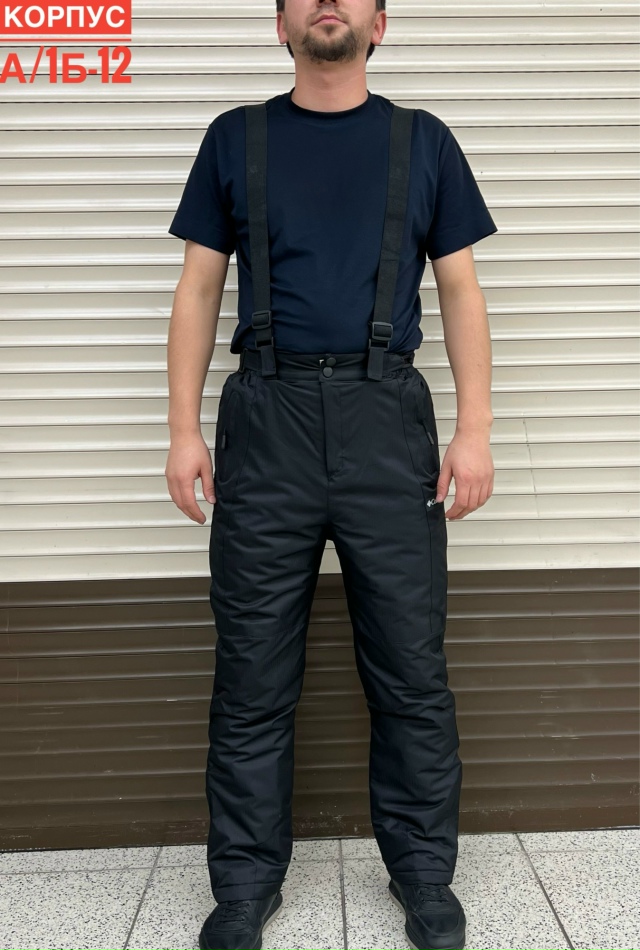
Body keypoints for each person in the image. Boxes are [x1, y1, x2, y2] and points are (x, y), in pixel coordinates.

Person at [165, 2, 497, 948]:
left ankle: (424, 874)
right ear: (279, 25)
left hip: (386, 419)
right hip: (266, 421)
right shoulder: (235, 139)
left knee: (410, 670)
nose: (327, 3)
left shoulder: (422, 142)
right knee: (251, 674)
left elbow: (461, 289)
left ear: (379, 25)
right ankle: (244, 885)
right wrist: (182, 431)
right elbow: (198, 286)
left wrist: (474, 432)